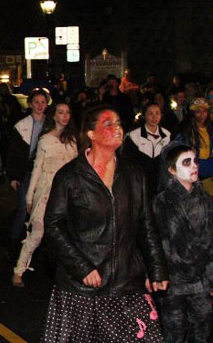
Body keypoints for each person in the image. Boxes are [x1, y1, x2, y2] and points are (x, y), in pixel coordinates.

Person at [41, 105, 168, 342]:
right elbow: (54, 225)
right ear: (91, 134)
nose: (117, 129)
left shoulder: (134, 174)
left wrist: (156, 268)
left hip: (126, 283)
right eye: (108, 124)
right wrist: (82, 267)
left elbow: (146, 225)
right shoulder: (70, 176)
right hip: (82, 288)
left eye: (119, 123)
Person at [153, 143, 213, 343]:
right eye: (186, 162)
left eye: (194, 161)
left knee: (202, 330)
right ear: (172, 170)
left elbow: (211, 240)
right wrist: (156, 274)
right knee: (174, 333)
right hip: (172, 283)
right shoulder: (161, 202)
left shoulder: (205, 200)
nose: (194, 166)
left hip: (200, 281)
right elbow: (155, 243)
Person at [12, 102, 77, 288]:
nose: (64, 116)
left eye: (67, 112)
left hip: (66, 193)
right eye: (60, 112)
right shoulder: (45, 140)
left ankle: (66, 275)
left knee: (66, 235)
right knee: (37, 233)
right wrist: (29, 196)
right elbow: (37, 169)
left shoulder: (72, 140)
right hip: (46, 191)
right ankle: (18, 270)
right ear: (54, 115)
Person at [175, 98, 213, 248]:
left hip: (209, 176)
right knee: (193, 210)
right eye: (197, 111)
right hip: (192, 179)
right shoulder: (185, 131)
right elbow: (177, 151)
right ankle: (193, 240)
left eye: (204, 110)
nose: (201, 114)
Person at [6, 88, 48, 246]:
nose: (39, 105)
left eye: (43, 102)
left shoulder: (50, 124)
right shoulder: (21, 126)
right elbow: (13, 153)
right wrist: (13, 176)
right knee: (24, 207)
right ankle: (14, 240)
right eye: (36, 102)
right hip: (27, 172)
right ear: (30, 104)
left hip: (45, 171)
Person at [122, 102, 171, 199]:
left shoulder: (167, 135)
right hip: (141, 185)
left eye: (157, 113)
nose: (154, 117)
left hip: (160, 184)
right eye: (150, 113)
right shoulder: (133, 136)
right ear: (144, 116)